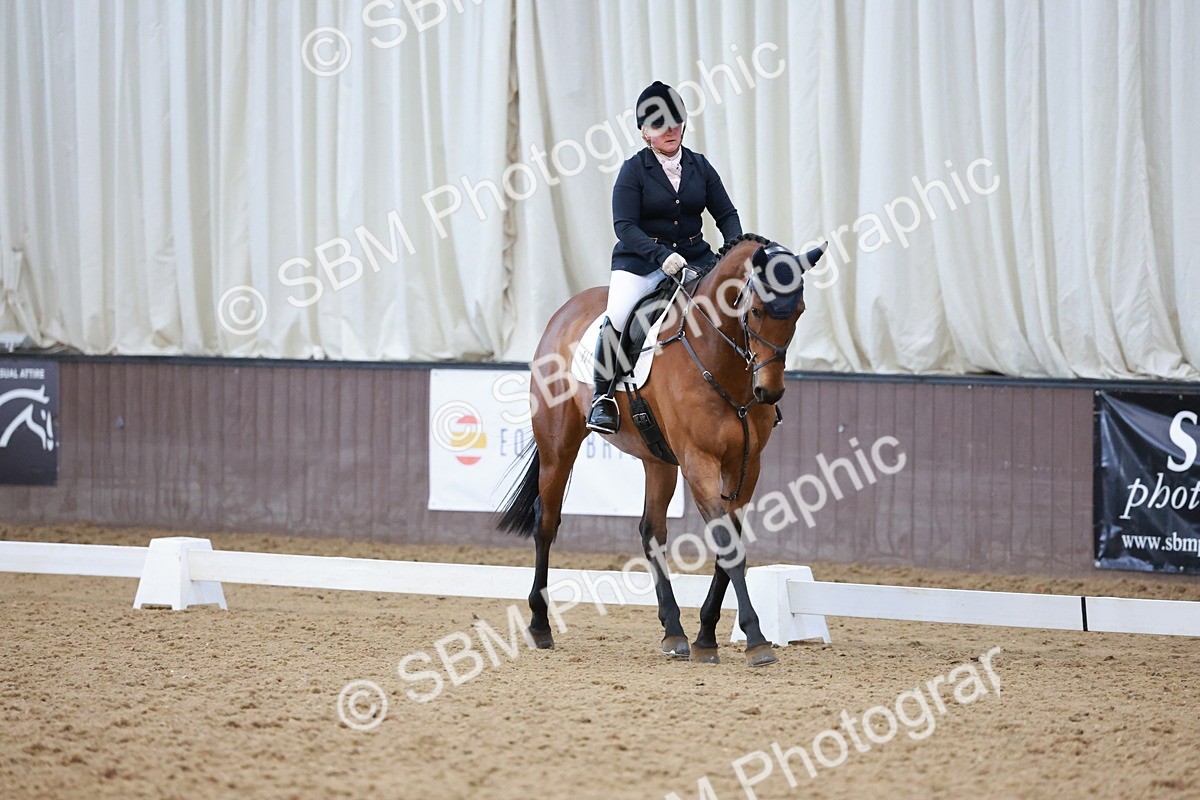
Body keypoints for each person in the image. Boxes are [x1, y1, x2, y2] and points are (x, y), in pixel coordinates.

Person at [586, 81, 743, 434]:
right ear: (645, 132)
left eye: (675, 122)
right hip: (641, 262)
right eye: (659, 125)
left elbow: (726, 215)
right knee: (619, 314)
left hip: (695, 259)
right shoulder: (633, 170)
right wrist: (660, 255)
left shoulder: (700, 166)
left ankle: (748, 391)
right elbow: (624, 226)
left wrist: (733, 251)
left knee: (735, 305)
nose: (670, 130)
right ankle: (603, 397)